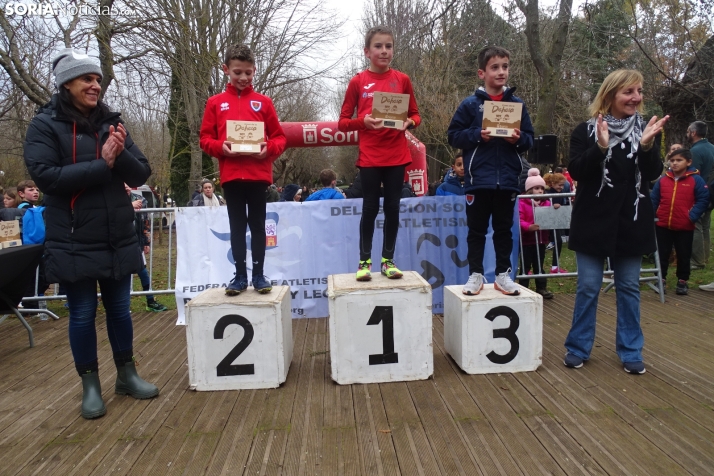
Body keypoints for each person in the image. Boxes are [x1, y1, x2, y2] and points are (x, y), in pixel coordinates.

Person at [23, 48, 157, 419]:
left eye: (98, 79)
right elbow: (46, 178)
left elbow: (140, 174)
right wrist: (102, 164)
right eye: (87, 79)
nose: (95, 85)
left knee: (120, 310)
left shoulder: (111, 121)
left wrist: (117, 151)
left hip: (116, 233)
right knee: (82, 312)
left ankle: (127, 375)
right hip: (72, 237)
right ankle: (91, 386)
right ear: (67, 84)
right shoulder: (44, 124)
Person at [563, 69, 669, 375]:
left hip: (631, 219)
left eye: (639, 91)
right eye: (628, 92)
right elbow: (578, 171)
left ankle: (631, 349)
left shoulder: (647, 129)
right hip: (592, 220)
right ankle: (578, 346)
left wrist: (647, 147)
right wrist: (600, 147)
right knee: (588, 286)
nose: (636, 98)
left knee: (628, 286)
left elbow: (651, 174)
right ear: (610, 96)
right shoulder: (586, 130)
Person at [447, 45, 534, 296]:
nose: (501, 72)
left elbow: (529, 139)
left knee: (504, 230)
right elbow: (454, 136)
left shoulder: (517, 104)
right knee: (476, 231)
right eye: (494, 67)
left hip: (507, 179)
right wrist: (477, 135)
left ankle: (503, 275)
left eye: (505, 67)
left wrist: (516, 139)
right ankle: (475, 274)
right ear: (481, 73)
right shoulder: (470, 105)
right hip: (478, 179)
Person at [199, 44, 286, 295]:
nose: (243, 78)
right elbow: (205, 139)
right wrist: (220, 147)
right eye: (238, 72)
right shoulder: (215, 103)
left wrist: (267, 148)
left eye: (248, 72)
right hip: (232, 175)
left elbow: (279, 138)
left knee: (258, 225)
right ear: (226, 70)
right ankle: (239, 276)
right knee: (237, 226)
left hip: (258, 175)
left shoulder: (264, 103)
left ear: (254, 71)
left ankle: (258, 275)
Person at [338, 25, 420, 281]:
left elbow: (415, 114)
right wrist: (363, 121)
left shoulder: (402, 79)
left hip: (397, 155)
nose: (384, 51)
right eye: (378, 46)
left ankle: (388, 260)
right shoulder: (357, 81)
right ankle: (364, 262)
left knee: (393, 208)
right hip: (371, 156)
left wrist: (410, 123)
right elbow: (342, 122)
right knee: (370, 208)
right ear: (367, 51)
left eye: (388, 46)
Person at [650, 148, 709, 295]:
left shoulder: (696, 180)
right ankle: (661, 278)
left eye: (679, 160)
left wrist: (692, 215)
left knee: (684, 254)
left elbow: (703, 199)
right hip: (663, 223)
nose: (675, 163)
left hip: (684, 225)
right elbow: (654, 199)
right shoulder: (663, 180)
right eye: (672, 160)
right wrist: (653, 214)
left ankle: (682, 280)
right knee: (662, 253)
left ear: (688, 162)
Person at [125, 184, 169, 311]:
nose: (126, 187)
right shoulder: (114, 199)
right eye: (123, 185)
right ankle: (124, 306)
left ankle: (150, 301)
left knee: (143, 272)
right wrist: (129, 207)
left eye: (127, 185)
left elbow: (146, 222)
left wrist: (147, 242)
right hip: (120, 244)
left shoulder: (140, 199)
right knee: (124, 275)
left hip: (136, 242)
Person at [518, 169, 554, 299]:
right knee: (525, 266)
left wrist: (555, 208)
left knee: (539, 265)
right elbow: (519, 219)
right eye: (536, 188)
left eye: (542, 188)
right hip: (526, 241)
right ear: (529, 190)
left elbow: (551, 217)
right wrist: (528, 227)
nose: (540, 191)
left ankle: (541, 287)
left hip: (541, 240)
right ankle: (523, 287)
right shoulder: (522, 202)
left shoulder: (547, 203)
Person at [687, 121, 714, 270]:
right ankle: (704, 257)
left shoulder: (695, 151)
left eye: (687, 131)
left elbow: (693, 175)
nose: (687, 134)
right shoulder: (712, 148)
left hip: (700, 193)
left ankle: (697, 261)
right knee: (705, 226)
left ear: (693, 132)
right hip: (711, 193)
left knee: (695, 224)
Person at [544, 172, 570, 273]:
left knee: (558, 241)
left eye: (563, 185)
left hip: (556, 220)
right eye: (560, 185)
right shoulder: (548, 193)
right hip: (549, 220)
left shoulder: (559, 193)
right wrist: (552, 205)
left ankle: (555, 266)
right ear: (553, 183)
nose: (562, 187)